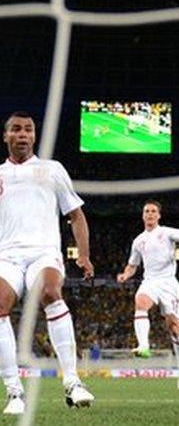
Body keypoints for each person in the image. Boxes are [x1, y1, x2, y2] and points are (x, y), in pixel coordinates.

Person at [0, 112, 96, 414]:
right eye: (16, 129)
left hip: (44, 252)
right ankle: (14, 391)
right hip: (6, 255)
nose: (22, 134)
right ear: (6, 137)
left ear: (34, 136)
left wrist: (83, 255)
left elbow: (76, 214)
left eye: (28, 129)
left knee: (51, 293)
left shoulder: (52, 169)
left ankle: (73, 382)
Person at [116, 200, 179, 390]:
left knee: (174, 328)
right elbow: (133, 264)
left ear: (159, 215)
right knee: (140, 301)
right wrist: (125, 275)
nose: (150, 214)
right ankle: (144, 345)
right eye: (147, 211)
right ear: (143, 215)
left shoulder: (166, 232)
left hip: (168, 283)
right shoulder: (138, 241)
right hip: (150, 282)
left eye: (153, 211)